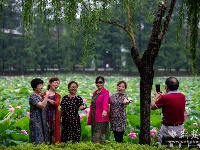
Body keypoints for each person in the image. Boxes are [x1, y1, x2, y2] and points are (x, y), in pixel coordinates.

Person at [150, 76, 186, 145]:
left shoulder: (165, 98)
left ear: (166, 87)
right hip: (180, 128)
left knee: (163, 146)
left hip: (168, 128)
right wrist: (164, 96)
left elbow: (152, 107)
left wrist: (156, 97)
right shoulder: (182, 96)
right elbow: (173, 101)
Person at [87, 76, 110, 144]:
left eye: (100, 82)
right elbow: (92, 105)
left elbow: (105, 102)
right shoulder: (95, 92)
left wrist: (105, 110)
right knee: (95, 136)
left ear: (103, 83)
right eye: (97, 82)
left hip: (101, 117)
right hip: (94, 117)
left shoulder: (106, 92)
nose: (98, 84)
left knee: (100, 136)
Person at [29, 78, 50, 144]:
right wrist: (46, 96)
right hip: (36, 120)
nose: (41, 87)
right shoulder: (32, 96)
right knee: (37, 138)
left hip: (43, 120)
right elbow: (42, 105)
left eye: (42, 85)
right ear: (35, 87)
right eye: (40, 85)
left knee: (44, 139)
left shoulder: (41, 96)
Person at [42, 77, 61, 144]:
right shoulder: (43, 94)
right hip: (45, 115)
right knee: (45, 130)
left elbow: (57, 103)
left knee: (54, 131)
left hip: (54, 116)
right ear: (50, 83)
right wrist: (47, 98)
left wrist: (48, 99)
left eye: (58, 83)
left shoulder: (58, 95)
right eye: (55, 83)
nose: (56, 85)